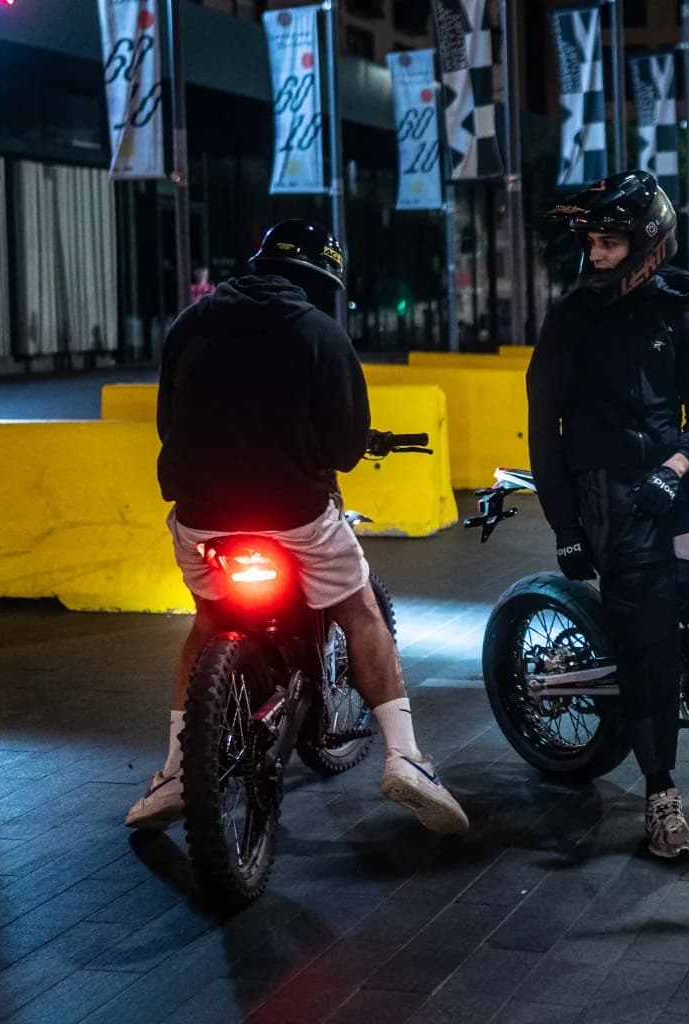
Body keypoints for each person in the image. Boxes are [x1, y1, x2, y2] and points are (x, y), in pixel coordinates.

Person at [128, 219, 469, 836]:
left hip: (201, 515)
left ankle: (176, 768)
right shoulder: (320, 334)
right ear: (320, 281)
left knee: (207, 622)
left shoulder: (189, 324)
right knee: (359, 610)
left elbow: (166, 423)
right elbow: (342, 448)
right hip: (293, 516)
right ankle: (407, 758)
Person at [528, 170, 689, 859]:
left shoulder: (681, 315)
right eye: (593, 243)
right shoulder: (570, 318)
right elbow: (543, 427)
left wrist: (677, 469)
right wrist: (565, 528)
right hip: (605, 494)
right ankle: (661, 796)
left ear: (646, 246)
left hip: (669, 484)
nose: (596, 256)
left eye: (610, 243)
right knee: (650, 642)